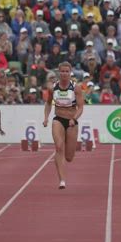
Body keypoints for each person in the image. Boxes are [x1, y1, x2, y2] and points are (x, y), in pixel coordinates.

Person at [43, 61, 84, 189]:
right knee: (58, 147)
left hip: (72, 121)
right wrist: (46, 118)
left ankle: (68, 146)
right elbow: (49, 103)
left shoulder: (76, 88)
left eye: (67, 71)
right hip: (58, 119)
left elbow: (81, 107)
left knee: (69, 157)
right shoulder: (53, 87)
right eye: (62, 71)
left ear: (70, 72)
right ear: (59, 72)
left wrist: (74, 118)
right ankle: (62, 180)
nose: (65, 73)